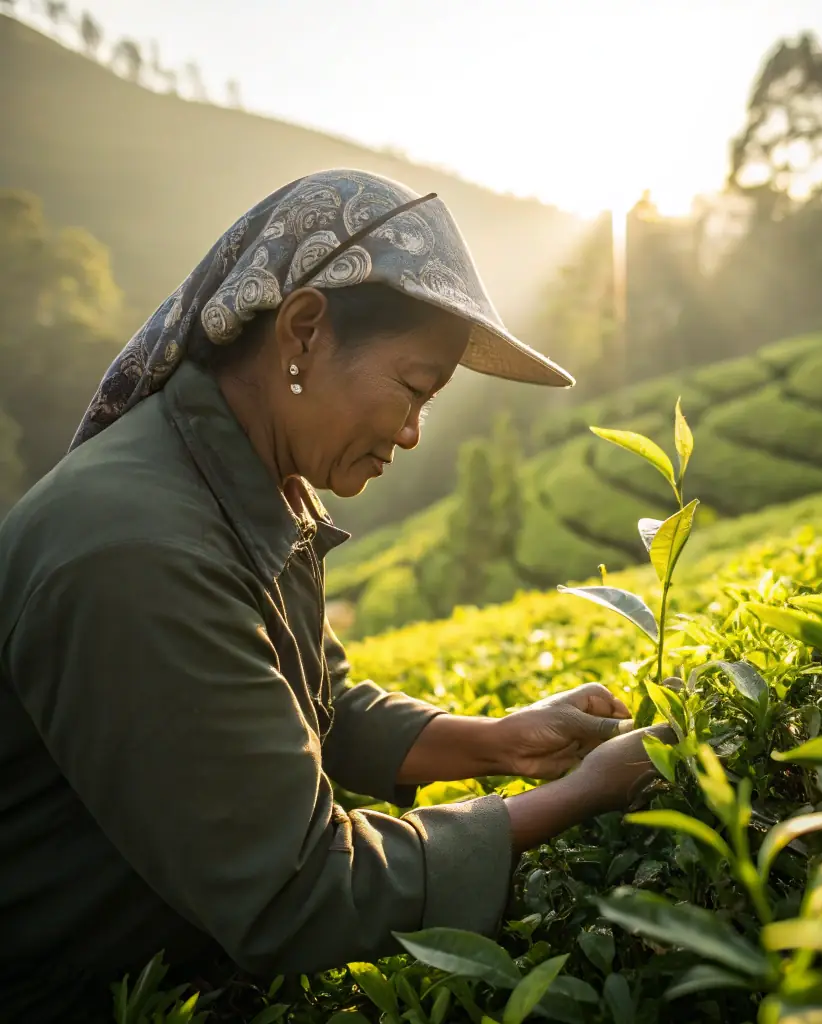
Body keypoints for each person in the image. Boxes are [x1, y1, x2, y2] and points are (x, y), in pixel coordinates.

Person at [0, 169, 670, 1021]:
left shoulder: (245, 478)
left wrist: (499, 740)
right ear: (306, 331)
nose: (410, 432)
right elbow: (302, 890)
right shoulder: (137, 550)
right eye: (412, 388)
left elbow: (319, 699)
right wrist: (583, 792)